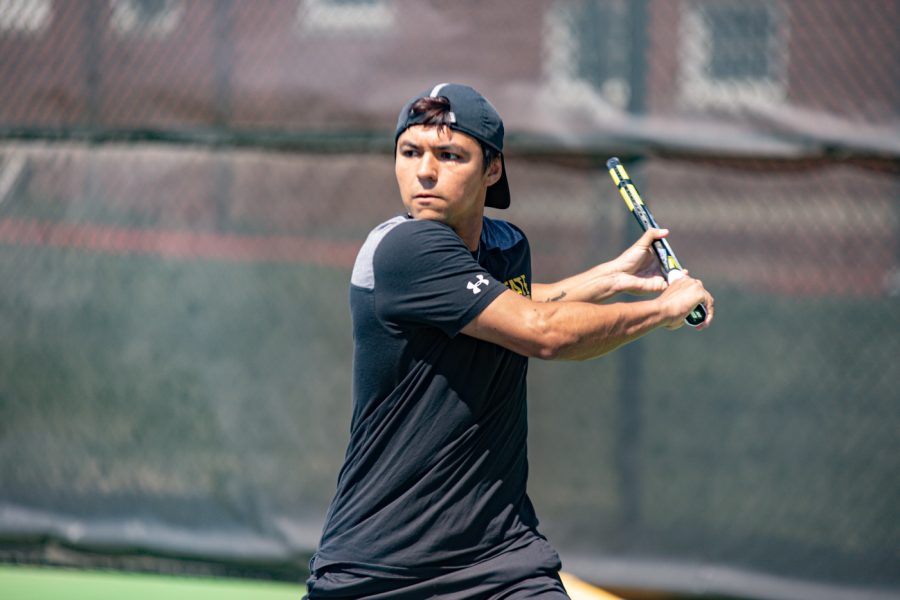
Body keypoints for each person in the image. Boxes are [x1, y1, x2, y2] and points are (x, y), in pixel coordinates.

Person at [304, 83, 714, 600]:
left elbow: (509, 301)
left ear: (492, 169)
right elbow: (540, 333)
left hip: (502, 558)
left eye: (450, 155)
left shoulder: (504, 246)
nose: (424, 172)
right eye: (410, 153)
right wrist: (660, 310)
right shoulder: (406, 249)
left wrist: (610, 277)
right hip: (381, 568)